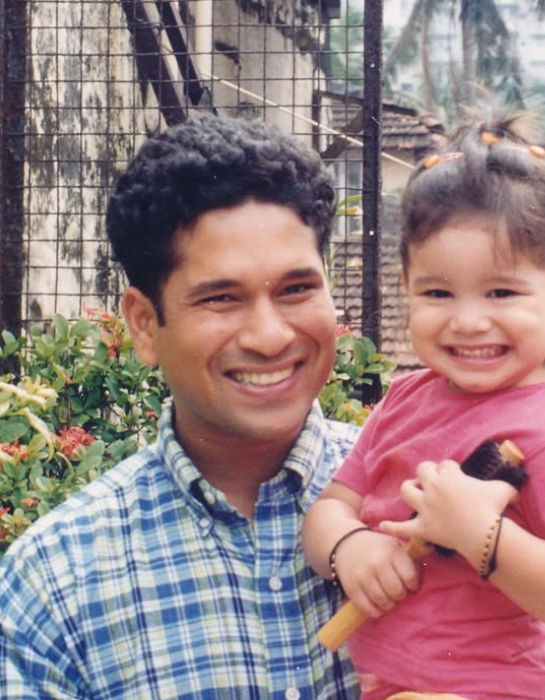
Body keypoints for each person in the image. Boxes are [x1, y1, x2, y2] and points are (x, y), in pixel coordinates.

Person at [0, 114, 360, 699]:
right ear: (144, 325)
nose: (269, 336)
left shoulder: (434, 502)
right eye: (221, 298)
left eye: (296, 289)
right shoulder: (55, 583)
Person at [302, 114, 545, 700]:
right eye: (438, 292)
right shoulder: (406, 399)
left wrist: (484, 538)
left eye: (502, 292)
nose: (468, 321)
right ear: (406, 286)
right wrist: (349, 546)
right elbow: (330, 509)